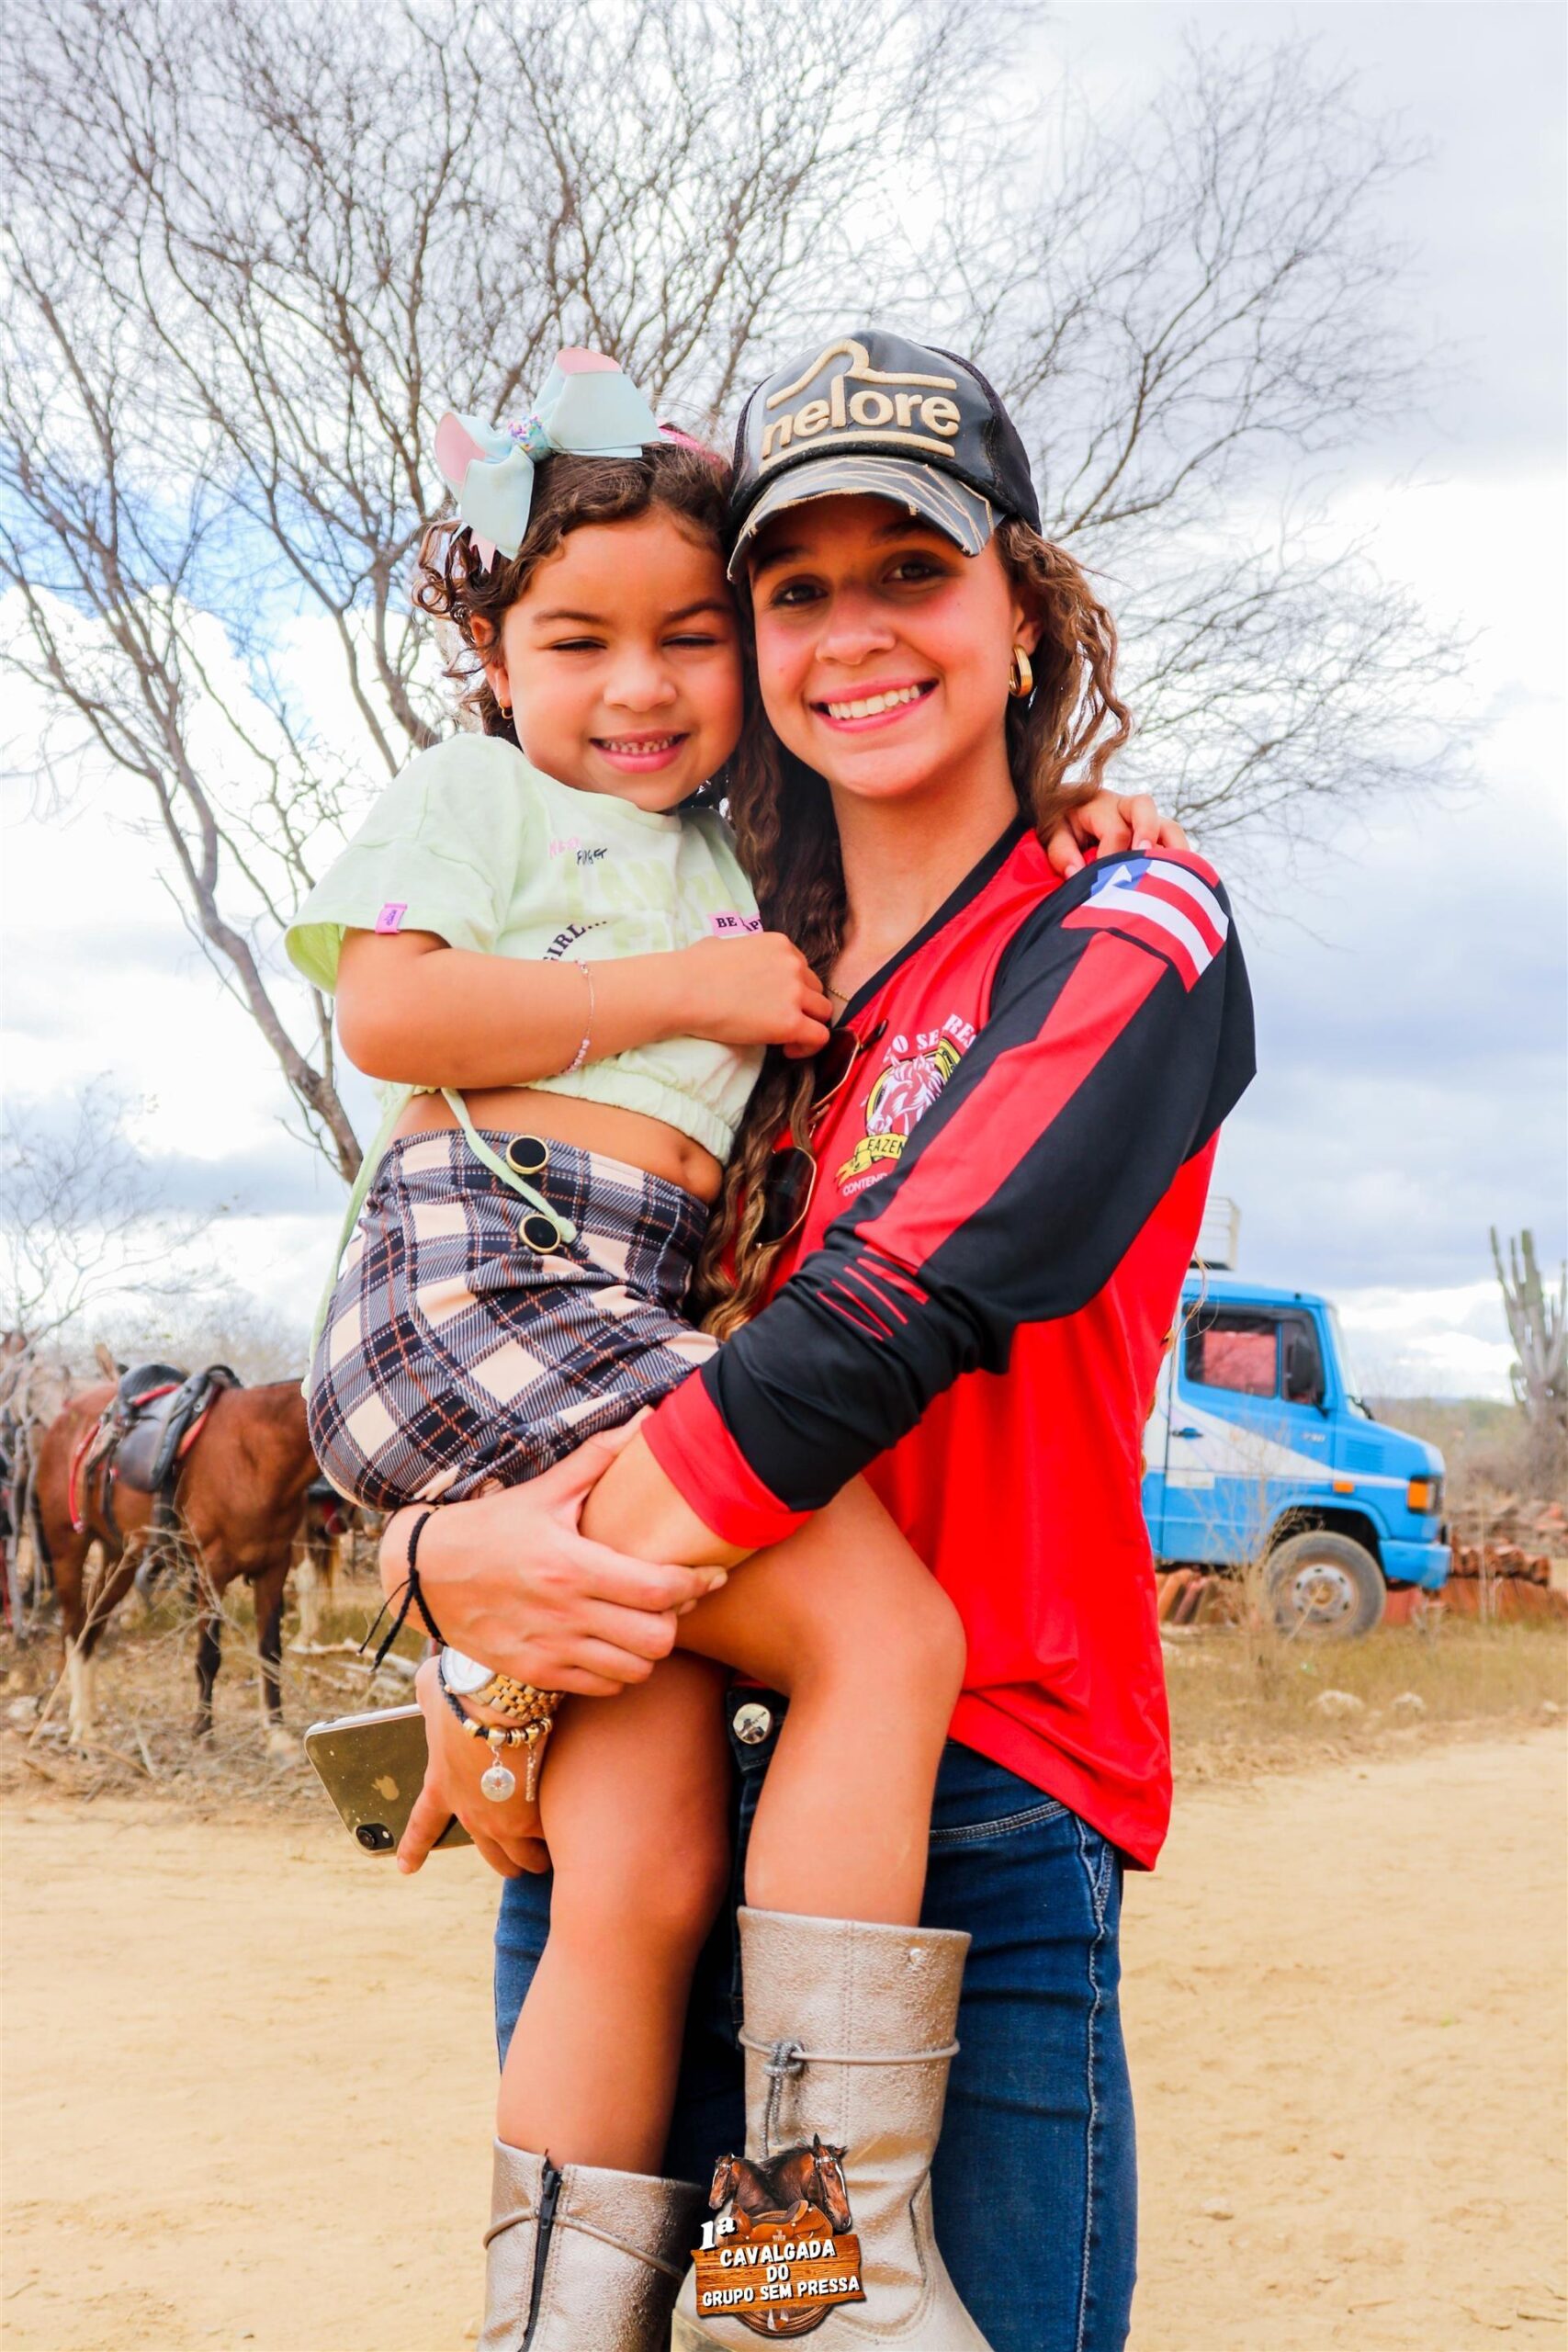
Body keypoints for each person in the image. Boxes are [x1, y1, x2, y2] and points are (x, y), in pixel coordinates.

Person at [288, 346, 1170, 2352]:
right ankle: (799, 2277)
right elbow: (399, 1022)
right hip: (530, 1325)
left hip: (910, 1723)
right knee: (871, 1643)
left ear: (1021, 610)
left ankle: (604, 2310)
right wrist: (447, 1589)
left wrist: (1086, 807)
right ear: (491, 654)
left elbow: (889, 1294)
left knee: (647, 1864)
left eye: (689, 633)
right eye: (792, 594)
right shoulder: (571, 840)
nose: (646, 684)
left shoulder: (984, 898)